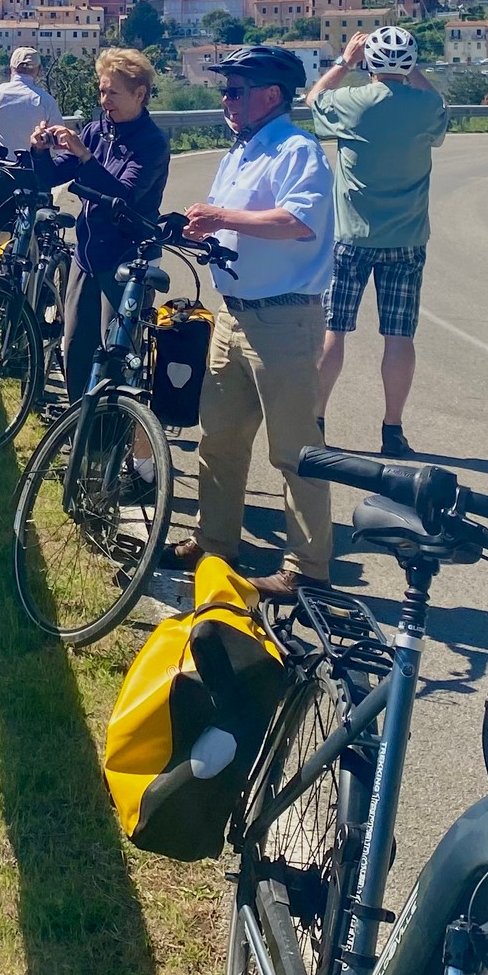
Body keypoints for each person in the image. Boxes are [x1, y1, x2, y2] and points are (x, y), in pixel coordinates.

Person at [173, 44, 337, 601]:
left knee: (295, 451)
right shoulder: (240, 152)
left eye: (235, 91)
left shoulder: (297, 150)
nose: (225, 100)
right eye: (223, 91)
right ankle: (215, 541)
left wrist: (222, 216)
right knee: (219, 438)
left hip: (284, 318)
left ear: (271, 95)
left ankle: (307, 567)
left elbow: (297, 222)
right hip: (233, 314)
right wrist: (205, 231)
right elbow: (236, 225)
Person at [308, 26, 448, 458]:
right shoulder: (426, 108)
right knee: (399, 336)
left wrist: (344, 62)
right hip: (406, 240)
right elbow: (437, 105)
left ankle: (315, 419)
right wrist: (413, 69)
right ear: (409, 64)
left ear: (368, 61)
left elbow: (313, 100)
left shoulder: (351, 103)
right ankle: (392, 429)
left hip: (352, 237)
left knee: (334, 329)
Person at [27, 47, 170, 403]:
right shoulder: (96, 131)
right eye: (101, 91)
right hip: (86, 260)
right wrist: (40, 150)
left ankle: (112, 446)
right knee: (74, 350)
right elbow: (51, 178)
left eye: (113, 93)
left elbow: (124, 196)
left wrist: (84, 157)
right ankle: (80, 439)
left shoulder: (151, 143)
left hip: (125, 266)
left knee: (115, 361)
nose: (104, 101)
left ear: (139, 94)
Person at [0, 46, 60, 229]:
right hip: (34, 173)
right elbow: (58, 139)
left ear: (11, 68)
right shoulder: (46, 100)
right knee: (36, 227)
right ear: (39, 71)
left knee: (2, 227)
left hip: (1, 170)